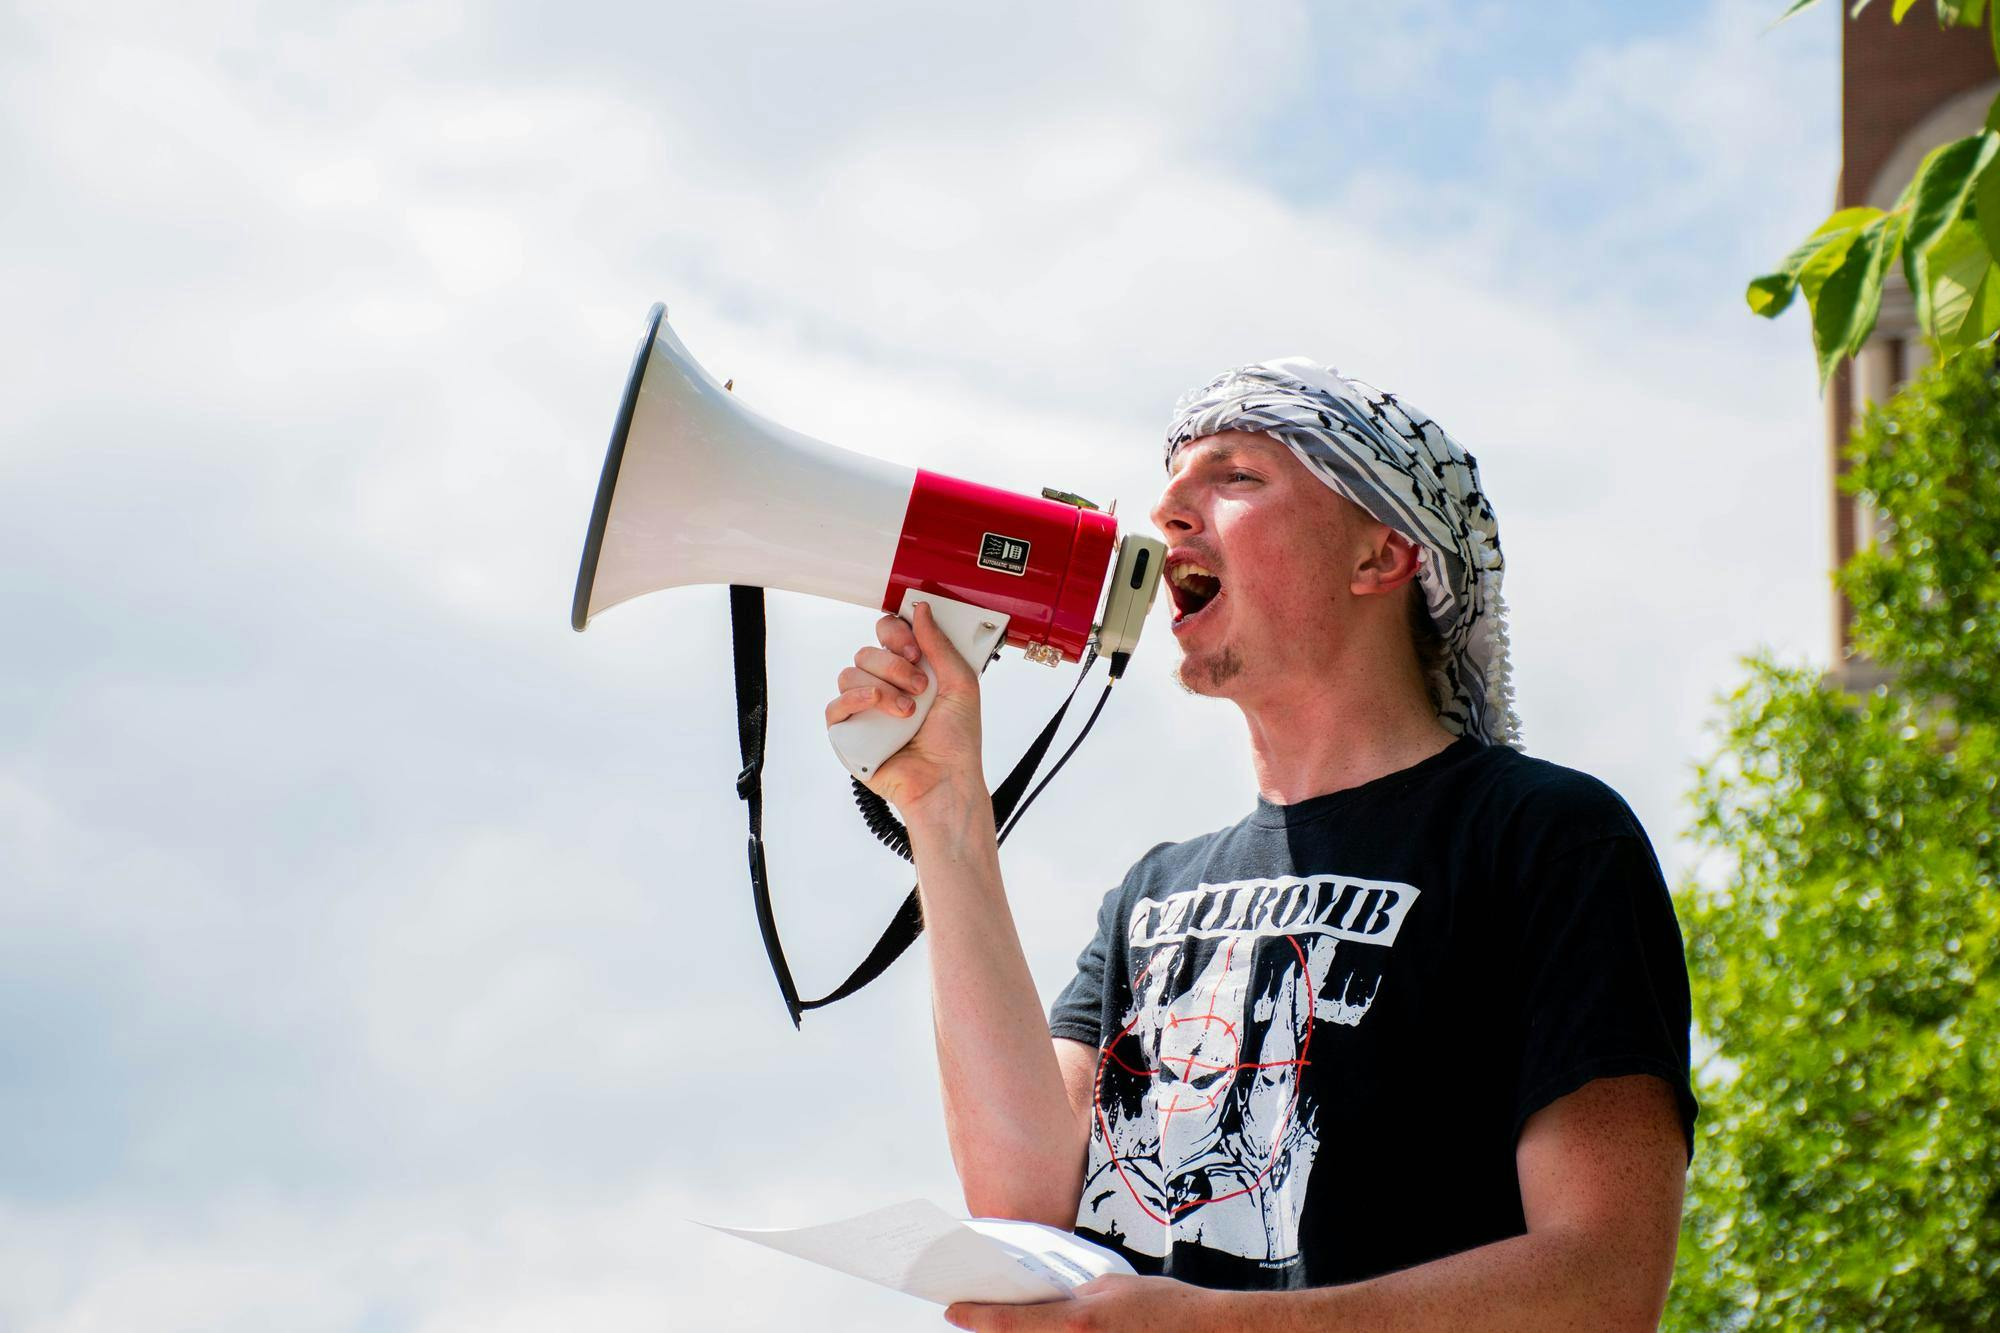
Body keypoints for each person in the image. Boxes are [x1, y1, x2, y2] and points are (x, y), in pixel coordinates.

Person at [824, 359, 1698, 1331]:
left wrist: (1202, 1327)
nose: (1167, 512)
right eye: (1173, 484)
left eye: (1236, 475)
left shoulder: (1545, 839)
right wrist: (944, 808)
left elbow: (1602, 1282)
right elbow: (1026, 1207)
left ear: (1381, 553)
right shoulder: (1152, 893)